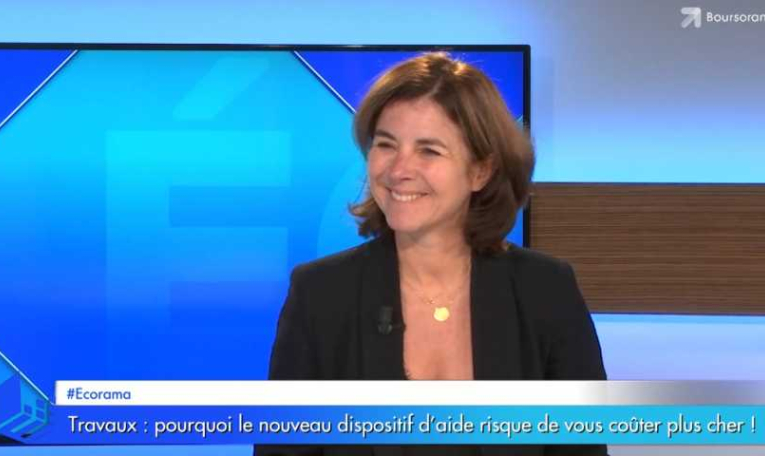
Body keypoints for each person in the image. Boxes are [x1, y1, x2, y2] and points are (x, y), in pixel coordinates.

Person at [259, 52, 607, 456]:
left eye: (429, 150)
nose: (398, 170)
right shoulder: (320, 294)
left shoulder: (545, 291)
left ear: (480, 171)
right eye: (386, 145)